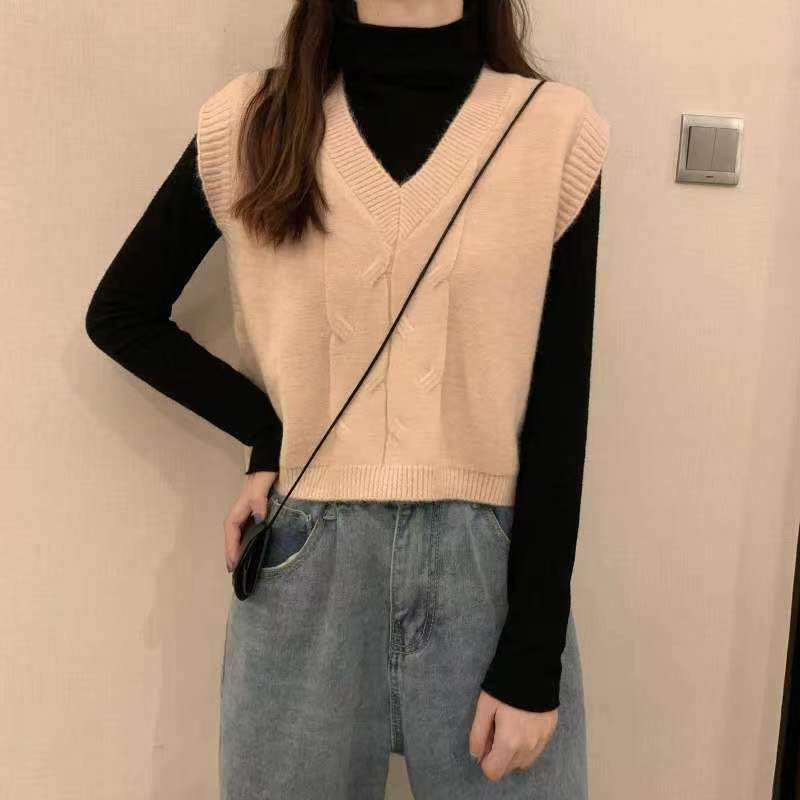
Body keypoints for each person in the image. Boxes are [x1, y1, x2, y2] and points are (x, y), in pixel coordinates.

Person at [85, 0, 609, 796]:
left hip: (490, 576)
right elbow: (122, 314)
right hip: (306, 564)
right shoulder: (252, 122)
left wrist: (534, 654)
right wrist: (269, 432)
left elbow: (560, 409)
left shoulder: (555, 132)